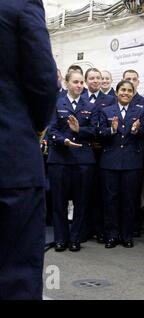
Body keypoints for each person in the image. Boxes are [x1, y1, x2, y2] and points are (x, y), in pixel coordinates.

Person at [0, 0, 58, 299]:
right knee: (15, 277)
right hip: (10, 161)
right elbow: (44, 83)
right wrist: (32, 130)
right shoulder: (19, 4)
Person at [47, 71, 97, 253]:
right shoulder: (56, 103)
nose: (79, 85)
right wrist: (64, 140)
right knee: (59, 202)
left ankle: (75, 238)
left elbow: (94, 132)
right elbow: (51, 130)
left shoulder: (90, 106)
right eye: (75, 82)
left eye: (81, 82)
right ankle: (61, 239)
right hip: (60, 159)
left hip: (83, 161)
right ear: (67, 83)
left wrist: (79, 130)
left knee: (81, 202)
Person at [99, 80, 144, 248]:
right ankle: (111, 235)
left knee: (129, 201)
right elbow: (100, 134)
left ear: (133, 93)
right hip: (110, 162)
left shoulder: (140, 111)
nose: (126, 93)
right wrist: (112, 129)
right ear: (117, 92)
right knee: (110, 200)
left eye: (129, 90)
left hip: (131, 163)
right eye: (123, 90)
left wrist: (136, 130)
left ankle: (127, 235)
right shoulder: (106, 111)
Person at [81, 68, 116, 243]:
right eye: (92, 78)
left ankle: (100, 229)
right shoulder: (80, 97)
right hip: (83, 151)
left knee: (101, 193)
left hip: (103, 151)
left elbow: (108, 124)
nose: (96, 81)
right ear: (86, 80)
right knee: (84, 192)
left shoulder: (110, 99)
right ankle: (85, 228)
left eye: (98, 78)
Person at [122, 69, 144, 236]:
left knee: (133, 193)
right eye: (127, 79)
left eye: (134, 79)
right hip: (117, 154)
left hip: (136, 152)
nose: (131, 82)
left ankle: (133, 227)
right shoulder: (115, 101)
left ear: (138, 82)